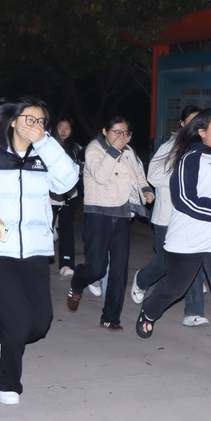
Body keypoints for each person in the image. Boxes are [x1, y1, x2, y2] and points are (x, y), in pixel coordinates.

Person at [0, 98, 79, 405]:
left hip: (36, 249)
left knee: (40, 324)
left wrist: (45, 143)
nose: (35, 125)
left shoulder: (45, 156)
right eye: (29, 119)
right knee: (19, 321)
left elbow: (68, 181)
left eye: (41, 121)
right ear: (13, 121)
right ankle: (8, 382)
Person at [134, 109, 211, 375]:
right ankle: (149, 310)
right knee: (175, 288)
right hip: (188, 238)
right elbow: (184, 199)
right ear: (201, 132)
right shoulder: (190, 157)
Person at [66, 116, 154, 331]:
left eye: (125, 132)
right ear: (105, 131)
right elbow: (100, 176)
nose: (121, 136)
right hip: (99, 214)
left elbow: (138, 174)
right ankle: (78, 281)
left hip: (122, 214)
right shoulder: (94, 149)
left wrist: (146, 190)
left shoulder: (129, 151)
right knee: (96, 268)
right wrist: (115, 149)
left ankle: (110, 317)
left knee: (119, 269)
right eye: (116, 132)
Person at [131, 105, 209, 326]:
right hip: (167, 216)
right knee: (166, 262)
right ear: (182, 124)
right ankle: (142, 279)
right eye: (191, 121)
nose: (195, 125)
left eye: (200, 121)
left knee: (192, 261)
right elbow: (153, 175)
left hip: (192, 216)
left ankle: (193, 312)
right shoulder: (170, 147)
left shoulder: (205, 148)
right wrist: (183, 180)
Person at [50, 118, 84, 277]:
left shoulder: (77, 148)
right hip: (49, 196)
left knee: (66, 228)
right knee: (45, 228)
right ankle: (41, 260)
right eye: (60, 127)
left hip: (70, 195)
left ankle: (66, 264)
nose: (63, 131)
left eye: (67, 128)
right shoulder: (48, 146)